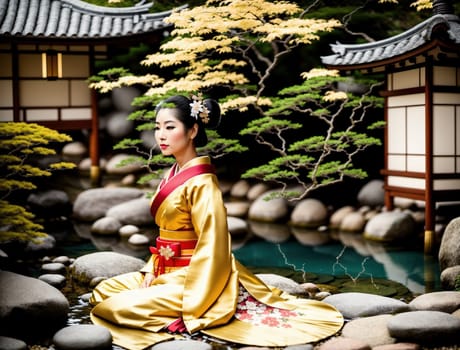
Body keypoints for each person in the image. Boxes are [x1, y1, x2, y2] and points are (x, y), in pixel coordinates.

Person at [89, 94, 344, 350]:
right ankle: (158, 299)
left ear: (193, 130)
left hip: (195, 278)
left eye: (170, 127)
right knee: (103, 291)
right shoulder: (173, 173)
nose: (161, 135)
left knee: (115, 308)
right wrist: (150, 271)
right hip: (164, 269)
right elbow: (165, 238)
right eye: (157, 128)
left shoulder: (203, 184)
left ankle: (181, 310)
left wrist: (195, 303)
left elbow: (214, 246)